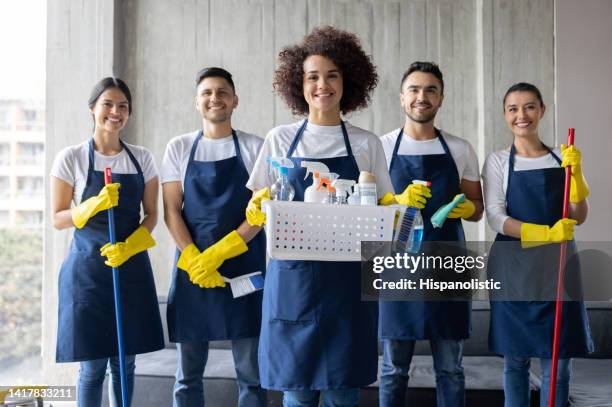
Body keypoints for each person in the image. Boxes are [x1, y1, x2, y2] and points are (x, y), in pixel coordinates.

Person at [245, 26, 394, 407]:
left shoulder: (366, 143)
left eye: (332, 75)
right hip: (294, 282)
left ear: (348, 82)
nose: (322, 85)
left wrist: (400, 215)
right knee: (296, 395)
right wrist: (258, 208)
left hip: (348, 288)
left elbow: (385, 209)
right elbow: (261, 207)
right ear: (299, 83)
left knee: (343, 395)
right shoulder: (280, 139)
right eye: (313, 76)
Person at [50, 77, 165, 407]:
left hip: (129, 270)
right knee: (92, 367)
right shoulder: (71, 157)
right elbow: (58, 217)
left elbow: (153, 214)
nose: (116, 112)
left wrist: (130, 246)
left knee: (125, 364)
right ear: (92, 109)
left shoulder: (141, 158)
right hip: (87, 273)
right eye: (108, 104)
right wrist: (89, 206)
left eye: (123, 106)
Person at [378, 62, 484, 407]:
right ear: (401, 97)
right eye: (414, 89)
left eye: (430, 90)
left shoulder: (460, 148)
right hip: (396, 266)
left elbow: (478, 205)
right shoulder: (381, 147)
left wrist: (465, 208)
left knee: (450, 368)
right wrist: (395, 200)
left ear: (441, 99)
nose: (421, 97)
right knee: (393, 368)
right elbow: (368, 207)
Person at [481, 82, 593, 406]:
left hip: (558, 268)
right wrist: (543, 233)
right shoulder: (498, 161)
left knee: (558, 365)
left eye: (529, 106)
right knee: (515, 362)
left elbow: (579, 215)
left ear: (542, 110)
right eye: (513, 109)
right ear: (505, 115)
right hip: (513, 268)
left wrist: (578, 176)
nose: (522, 115)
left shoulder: (562, 157)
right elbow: (495, 217)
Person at [162, 67, 267, 407]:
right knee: (187, 377)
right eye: (207, 92)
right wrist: (195, 258)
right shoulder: (178, 148)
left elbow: (260, 215)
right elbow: (171, 211)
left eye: (222, 92)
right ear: (197, 102)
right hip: (193, 273)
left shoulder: (255, 147)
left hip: (244, 269)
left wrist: (220, 252)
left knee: (251, 375)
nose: (214, 98)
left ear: (234, 100)